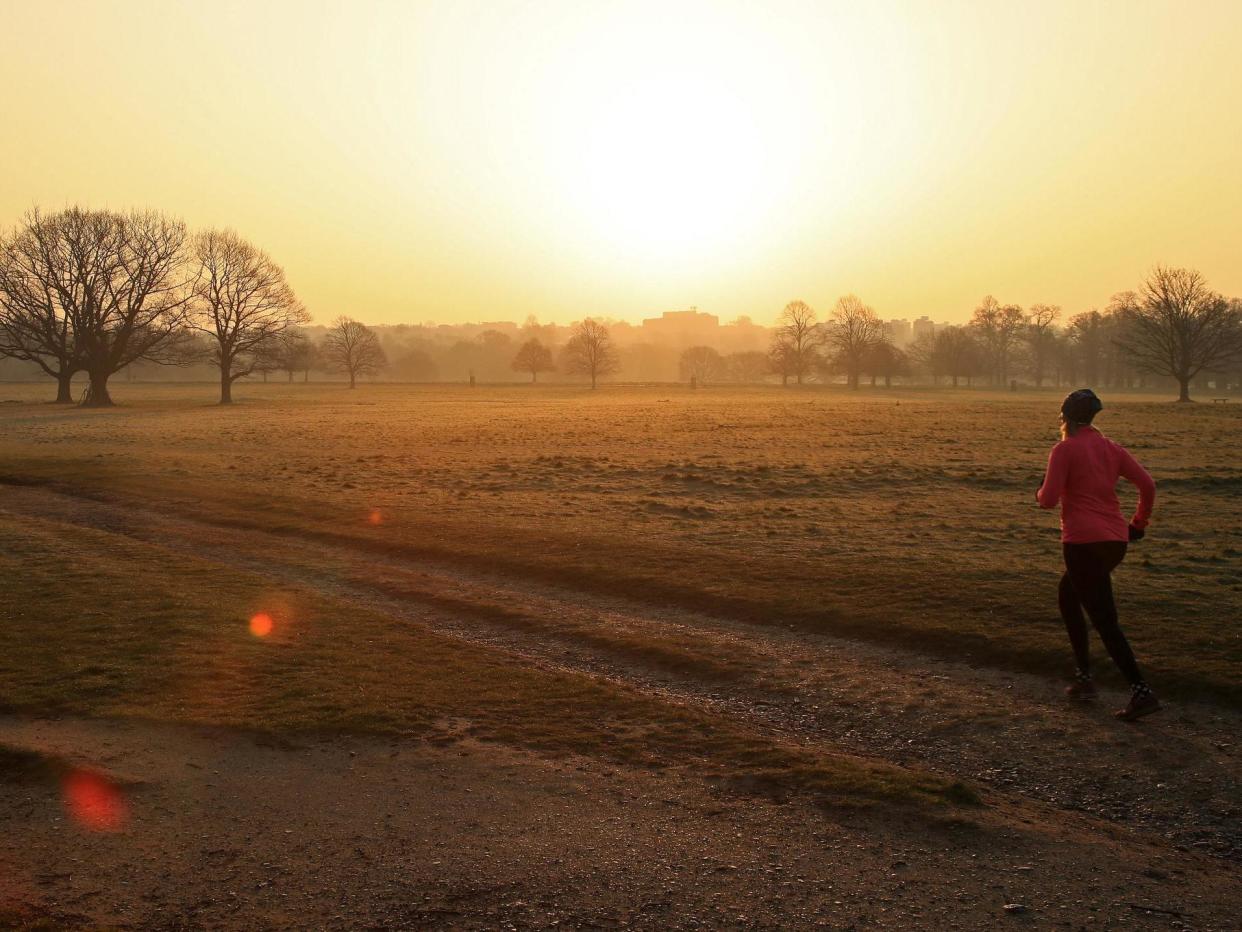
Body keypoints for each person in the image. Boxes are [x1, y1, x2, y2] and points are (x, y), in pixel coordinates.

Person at [1036, 389, 1159, 721]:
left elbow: (1047, 500)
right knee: (1068, 595)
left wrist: (1041, 488)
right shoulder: (1112, 449)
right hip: (1114, 540)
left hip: (1081, 543)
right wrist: (1139, 524)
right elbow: (1148, 485)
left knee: (1105, 620)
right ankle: (1084, 678)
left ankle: (1140, 691)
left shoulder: (1064, 450)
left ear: (1065, 417)